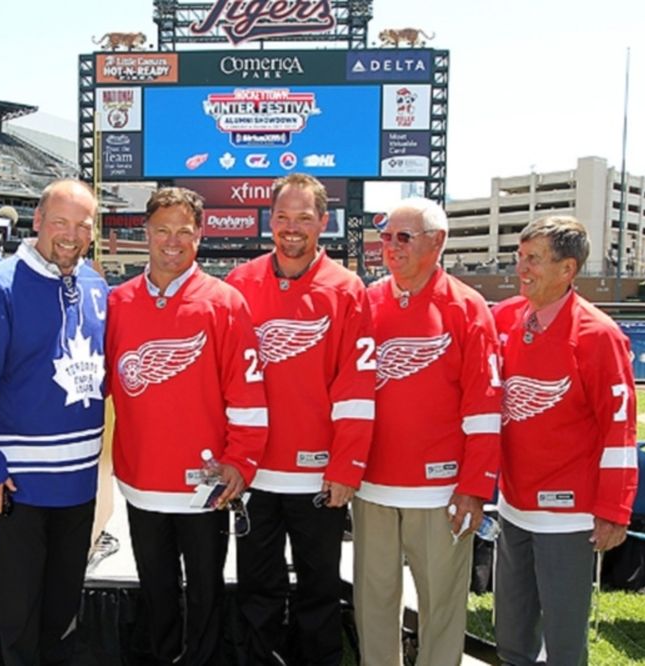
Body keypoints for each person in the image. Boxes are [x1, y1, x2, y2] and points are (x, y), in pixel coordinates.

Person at [107, 186, 268, 665]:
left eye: (183, 230)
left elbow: (247, 392)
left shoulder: (225, 302)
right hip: (141, 482)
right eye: (162, 230)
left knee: (205, 594)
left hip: (206, 484)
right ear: (146, 233)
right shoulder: (117, 302)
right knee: (156, 592)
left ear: (200, 234)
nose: (172, 241)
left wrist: (241, 459)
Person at [0, 179, 107, 665]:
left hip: (78, 482)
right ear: (37, 221)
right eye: (60, 222)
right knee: (20, 610)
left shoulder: (95, 285)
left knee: (63, 609)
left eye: (82, 225)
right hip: (20, 484)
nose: (71, 234)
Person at [226, 173, 375, 665]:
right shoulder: (240, 284)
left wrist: (346, 467)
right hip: (256, 474)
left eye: (304, 218)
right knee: (257, 591)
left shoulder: (348, 289)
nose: (292, 229)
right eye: (283, 217)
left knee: (319, 593)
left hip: (317, 476)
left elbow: (356, 389)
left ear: (323, 222)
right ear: (271, 220)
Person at [355, 197, 502, 665]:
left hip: (440, 491)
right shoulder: (367, 300)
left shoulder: (467, 307)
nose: (390, 247)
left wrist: (475, 487)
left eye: (403, 237)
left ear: (437, 243)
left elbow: (484, 406)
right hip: (372, 484)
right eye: (385, 237)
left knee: (440, 608)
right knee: (372, 602)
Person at [493, 216, 638, 665]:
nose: (522, 269)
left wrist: (614, 509)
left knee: (563, 644)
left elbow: (620, 429)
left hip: (567, 517)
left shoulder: (599, 337)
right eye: (520, 258)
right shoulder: (506, 318)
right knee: (512, 635)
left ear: (567, 269)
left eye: (533, 259)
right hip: (513, 506)